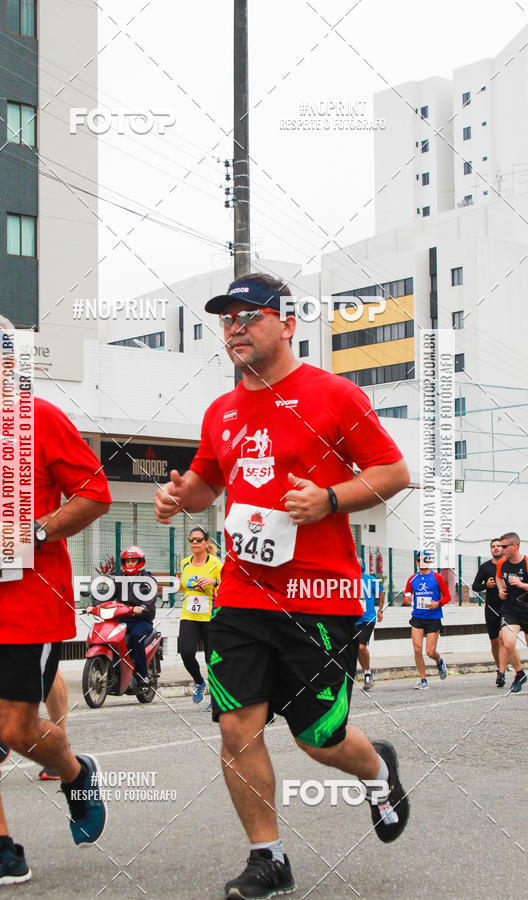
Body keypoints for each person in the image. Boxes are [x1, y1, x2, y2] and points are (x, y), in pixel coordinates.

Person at [154, 272, 411, 899]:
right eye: (227, 319)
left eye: (250, 315)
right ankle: (268, 858)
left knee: (318, 738)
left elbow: (393, 470)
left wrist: (329, 498)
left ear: (288, 323)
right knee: (236, 725)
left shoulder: (332, 395)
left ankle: (377, 768)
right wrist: (178, 496)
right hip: (241, 594)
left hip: (321, 596)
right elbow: (207, 485)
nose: (236, 327)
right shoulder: (221, 411)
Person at [0, 312, 112, 892]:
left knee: (14, 728)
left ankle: (77, 773)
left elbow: (95, 495)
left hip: (28, 604)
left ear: (7, 360)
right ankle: (1, 849)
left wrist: (35, 530)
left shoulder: (40, 420)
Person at [87, 545, 156, 686]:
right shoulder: (119, 578)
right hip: (122, 619)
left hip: (141, 621)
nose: (130, 564)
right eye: (127, 562)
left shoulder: (147, 579)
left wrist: (142, 607)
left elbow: (150, 597)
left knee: (137, 636)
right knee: (106, 634)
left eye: (133, 561)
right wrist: (95, 605)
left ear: (140, 562)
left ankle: (142, 676)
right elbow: (108, 594)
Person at [178, 527, 222, 704]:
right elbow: (183, 586)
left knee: (212, 658)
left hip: (210, 616)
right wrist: (178, 584)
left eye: (198, 539)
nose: (194, 543)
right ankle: (199, 681)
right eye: (191, 540)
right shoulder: (184, 563)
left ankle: (216, 696)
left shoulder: (216, 564)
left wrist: (214, 582)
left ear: (206, 543)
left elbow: (227, 585)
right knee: (187, 652)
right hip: (189, 615)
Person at [472, 538, 521, 687]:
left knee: (502, 639)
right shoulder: (485, 567)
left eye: (499, 546)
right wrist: (485, 585)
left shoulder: (509, 565)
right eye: (493, 547)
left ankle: (501, 672)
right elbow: (475, 586)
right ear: (490, 549)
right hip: (491, 607)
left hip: (507, 607)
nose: (496, 549)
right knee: (494, 642)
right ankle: (500, 667)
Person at [403, 551, 450, 689]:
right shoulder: (412, 579)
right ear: (416, 562)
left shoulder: (437, 577)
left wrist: (438, 604)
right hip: (417, 617)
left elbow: (447, 596)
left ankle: (439, 661)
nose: (421, 562)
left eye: (424, 560)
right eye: (419, 560)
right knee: (417, 649)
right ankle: (423, 680)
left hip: (433, 618)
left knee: (430, 651)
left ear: (429, 561)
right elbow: (407, 597)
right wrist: (407, 600)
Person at [496, 532, 528, 693]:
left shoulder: (527, 563)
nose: (501, 549)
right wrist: (501, 589)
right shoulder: (502, 564)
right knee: (508, 643)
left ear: (514, 547)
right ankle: (520, 673)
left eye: (504, 546)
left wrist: (522, 585)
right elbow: (499, 577)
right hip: (510, 610)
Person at [355, 560, 385, 690]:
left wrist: (380, 610)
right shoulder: (348, 580)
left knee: (361, 647)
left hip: (368, 618)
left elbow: (381, 592)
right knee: (356, 649)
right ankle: (367, 673)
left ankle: (367, 673)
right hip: (353, 619)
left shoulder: (370, 579)